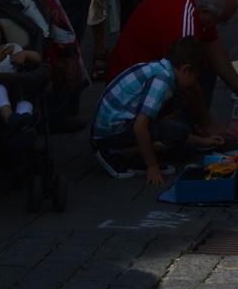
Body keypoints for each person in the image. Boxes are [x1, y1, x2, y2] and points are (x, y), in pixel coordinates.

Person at [108, 0, 238, 127]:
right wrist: (207, 123)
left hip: (143, 73)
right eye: (221, 21)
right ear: (206, 12)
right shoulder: (184, 21)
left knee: (206, 62)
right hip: (130, 93)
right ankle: (187, 128)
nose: (220, 25)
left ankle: (190, 126)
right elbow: (187, 81)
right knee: (196, 71)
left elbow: (213, 44)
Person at [93, 36, 223, 185]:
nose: (195, 82)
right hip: (111, 133)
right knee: (177, 132)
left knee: (177, 107)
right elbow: (140, 127)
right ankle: (114, 153)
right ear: (185, 69)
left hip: (112, 126)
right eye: (195, 77)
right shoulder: (161, 82)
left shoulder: (161, 68)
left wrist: (203, 142)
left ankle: (137, 156)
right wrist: (152, 167)